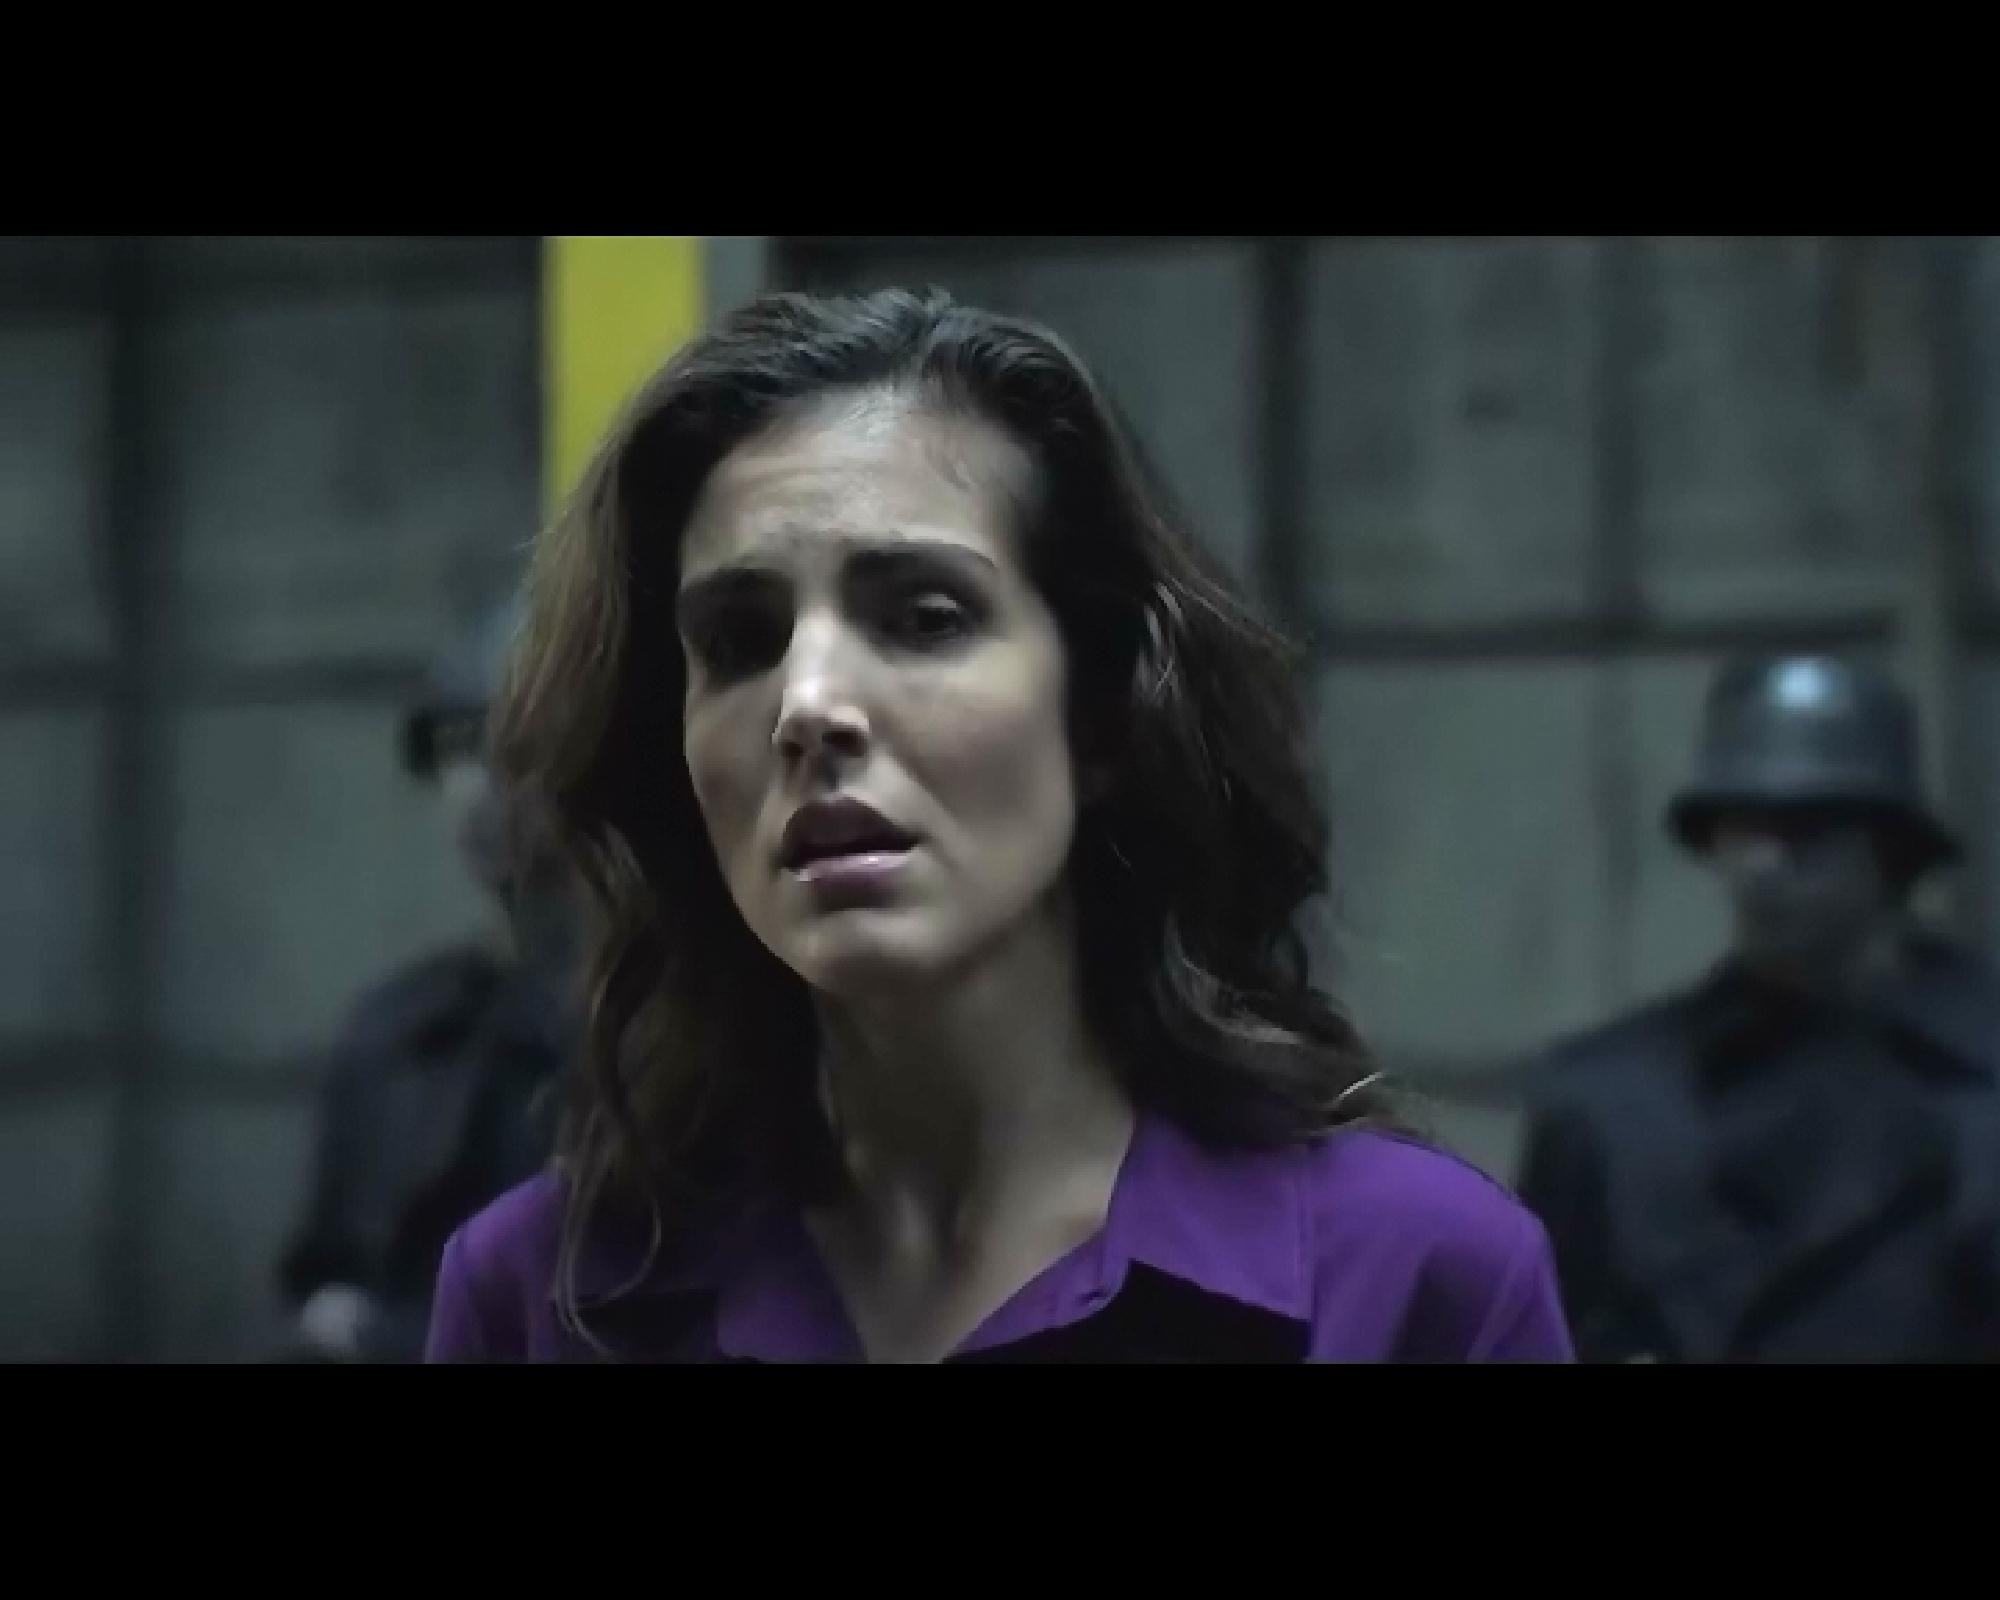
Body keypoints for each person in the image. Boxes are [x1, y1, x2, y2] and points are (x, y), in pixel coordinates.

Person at [426, 288, 1573, 1363]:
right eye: (738, 641)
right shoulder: (538, 1295)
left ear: (1103, 713)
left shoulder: (1412, 1279)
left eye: (923, 617)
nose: (806, 704)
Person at [1518, 656, 2000, 1362]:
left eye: (1807, 829)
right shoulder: (1612, 1104)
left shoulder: (1978, 1091)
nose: (1765, 864)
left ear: (1889, 849)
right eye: (1742, 827)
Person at [276, 600, 583, 1362]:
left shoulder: (678, 1036)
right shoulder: (396, 1030)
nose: (480, 785)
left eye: (516, 748)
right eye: (456, 749)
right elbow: (322, 1277)